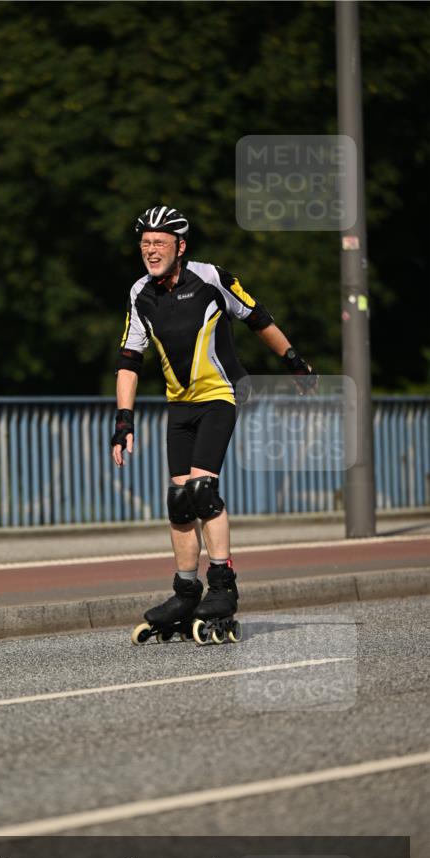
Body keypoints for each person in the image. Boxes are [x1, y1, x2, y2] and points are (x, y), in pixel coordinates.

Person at [111, 205, 316, 641]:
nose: (151, 250)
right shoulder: (139, 293)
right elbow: (130, 358)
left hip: (222, 393)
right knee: (179, 499)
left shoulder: (211, 278)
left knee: (204, 490)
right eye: (145, 243)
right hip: (179, 404)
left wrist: (294, 362)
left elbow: (258, 317)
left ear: (180, 246)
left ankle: (223, 586)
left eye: (159, 243)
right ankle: (187, 590)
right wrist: (123, 419)